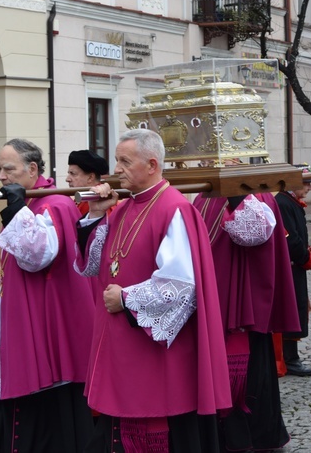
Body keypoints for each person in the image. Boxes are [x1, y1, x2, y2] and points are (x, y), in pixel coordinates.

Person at [74, 129, 231, 453]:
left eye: (124, 161)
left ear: (151, 164)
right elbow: (93, 265)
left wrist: (127, 299)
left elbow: (181, 285)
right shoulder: (124, 207)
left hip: (152, 351)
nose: (116, 169)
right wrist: (97, 213)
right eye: (117, 160)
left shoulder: (172, 208)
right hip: (119, 340)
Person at [0, 139, 96, 452]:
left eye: (9, 169)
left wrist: (16, 210)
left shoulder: (53, 203)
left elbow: (37, 257)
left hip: (47, 324)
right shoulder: (32, 201)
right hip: (22, 314)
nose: (2, 177)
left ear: (32, 169)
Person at [193, 167, 300, 451]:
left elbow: (251, 234)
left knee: (250, 384)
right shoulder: (204, 194)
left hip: (244, 311)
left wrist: (234, 195)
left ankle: (253, 441)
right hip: (211, 303)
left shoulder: (256, 192)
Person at [275, 169, 311, 377]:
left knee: (297, 307)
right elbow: (289, 238)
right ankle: (290, 359)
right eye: (306, 183)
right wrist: (305, 257)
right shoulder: (283, 203)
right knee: (291, 309)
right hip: (290, 267)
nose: (310, 188)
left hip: (295, 267)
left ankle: (291, 356)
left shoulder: (289, 202)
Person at [67, 149, 110, 215]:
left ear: (90, 177)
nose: (67, 179)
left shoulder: (100, 201)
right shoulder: (83, 197)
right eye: (69, 173)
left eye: (73, 173)